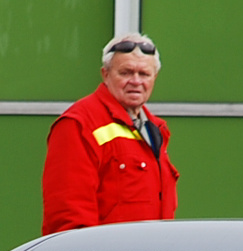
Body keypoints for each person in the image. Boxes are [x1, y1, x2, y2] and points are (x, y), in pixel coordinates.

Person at [41, 33, 180, 235]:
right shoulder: (79, 124)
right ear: (105, 74)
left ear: (154, 78)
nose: (135, 81)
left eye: (144, 74)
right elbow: (68, 218)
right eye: (126, 73)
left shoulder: (155, 130)